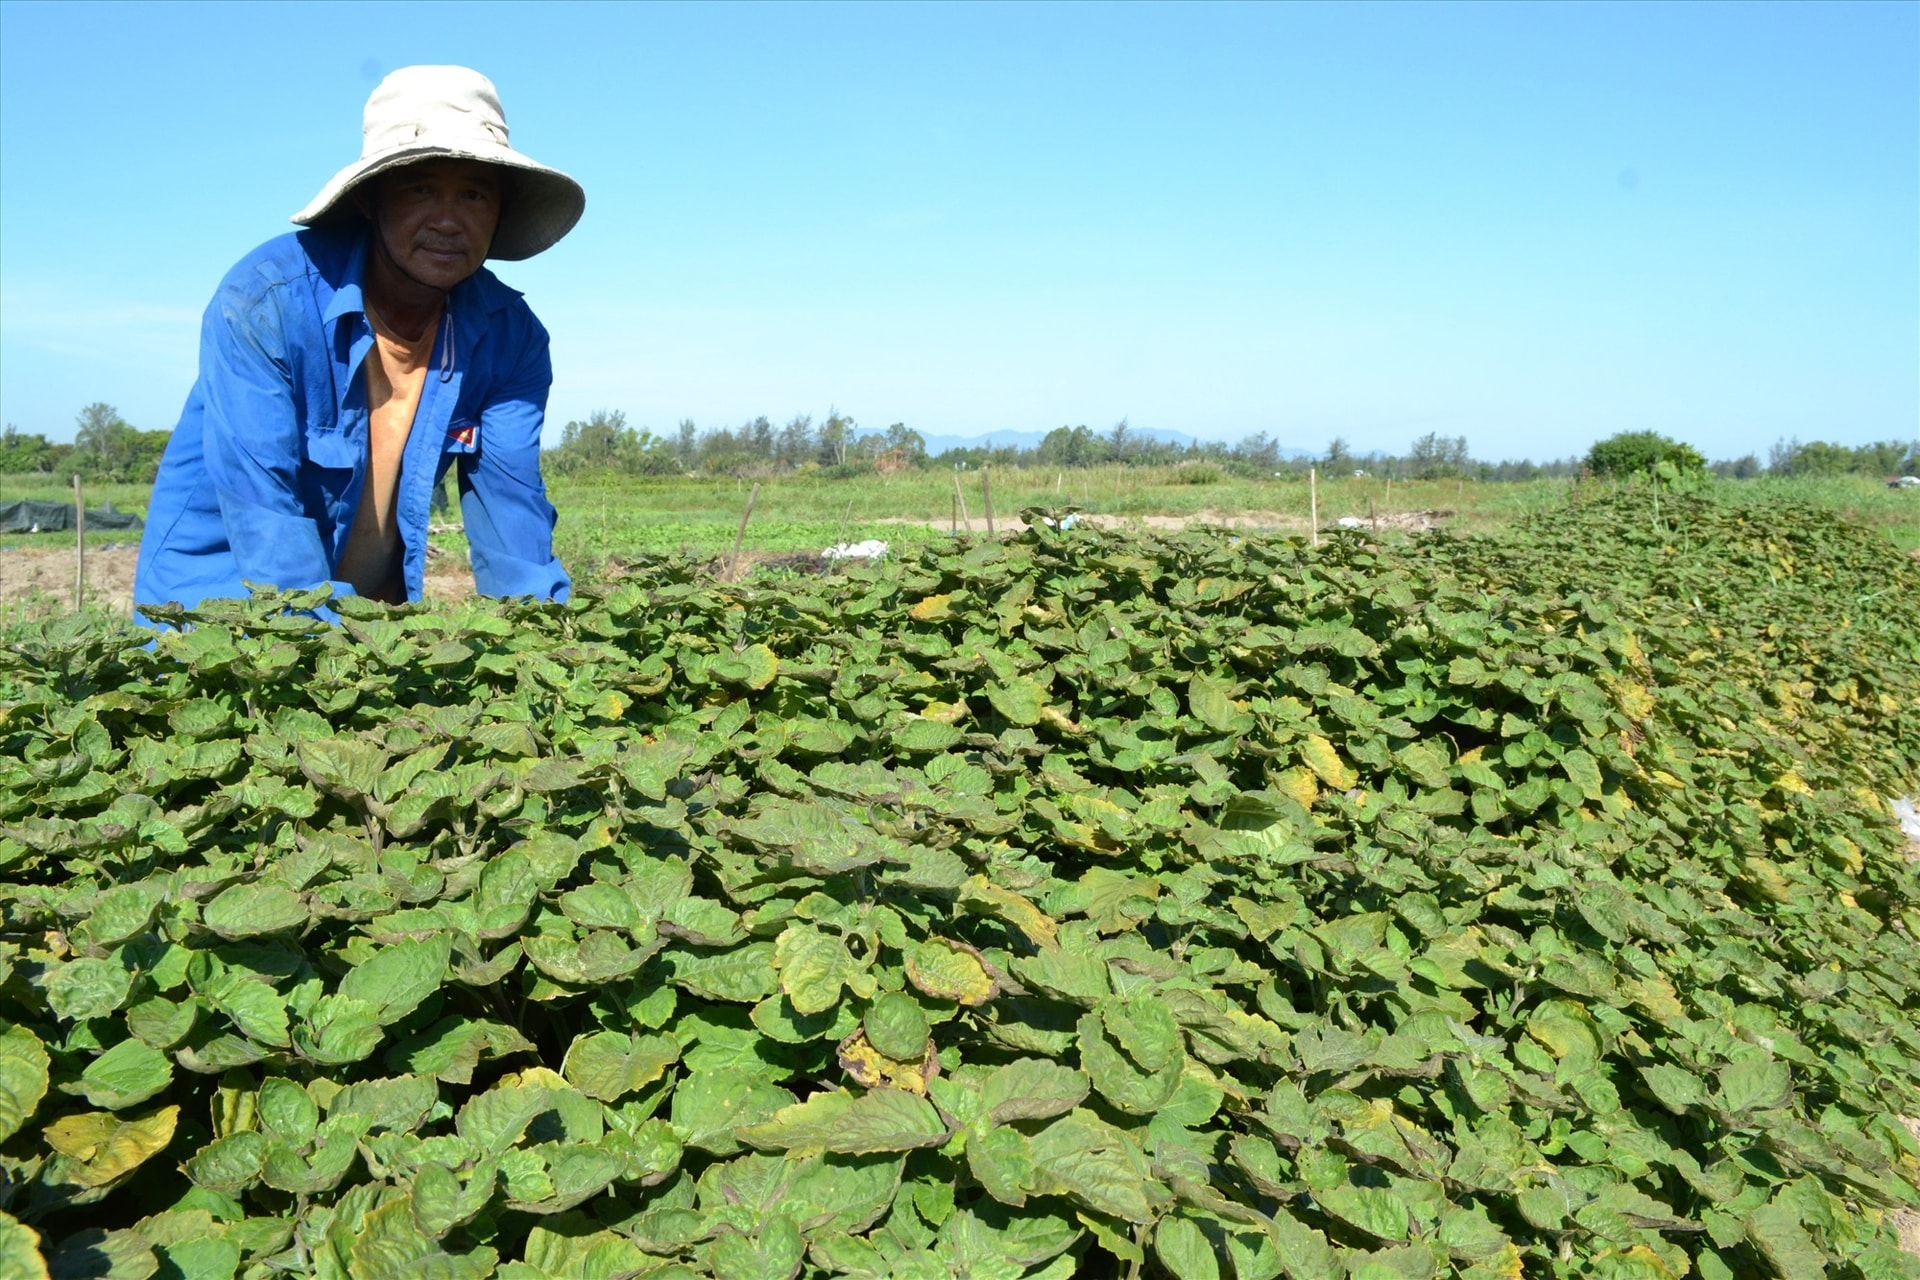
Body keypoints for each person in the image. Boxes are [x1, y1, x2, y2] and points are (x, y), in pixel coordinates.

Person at [133, 65, 583, 619]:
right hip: (217, 621)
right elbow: (264, 515)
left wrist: (546, 649)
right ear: (371, 200)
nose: (449, 220)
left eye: (474, 195)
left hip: (370, 627)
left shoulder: (509, 336)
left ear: (499, 213)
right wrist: (328, 653)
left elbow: (513, 513)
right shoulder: (266, 302)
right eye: (421, 188)